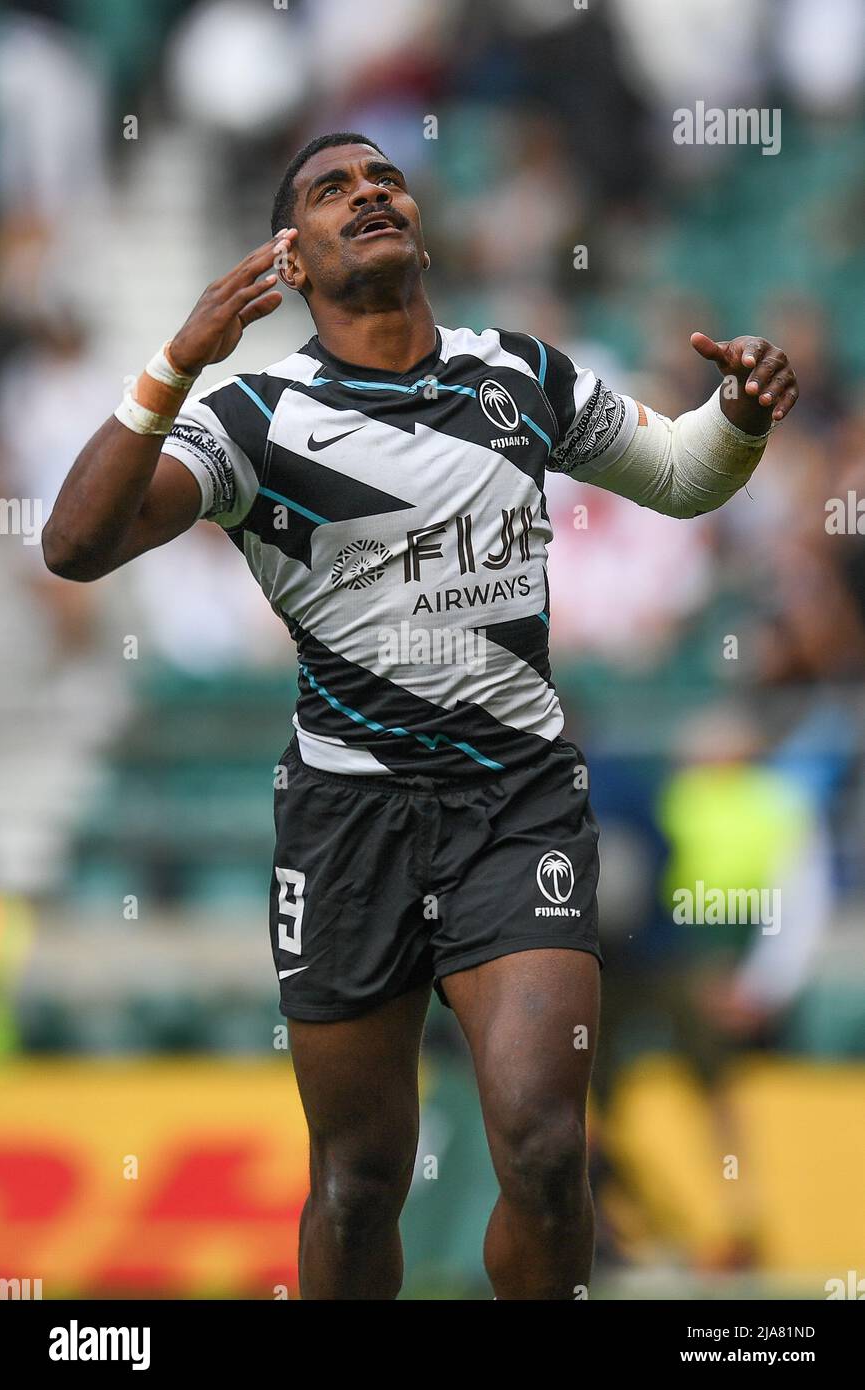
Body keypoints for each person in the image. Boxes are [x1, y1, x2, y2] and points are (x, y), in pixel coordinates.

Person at [42, 132, 799, 1300]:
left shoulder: (517, 376)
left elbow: (683, 474)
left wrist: (739, 412)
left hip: (518, 803)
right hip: (349, 823)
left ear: (420, 222)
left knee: (545, 1151)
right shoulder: (250, 419)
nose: (369, 194)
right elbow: (75, 545)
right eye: (331, 190)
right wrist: (174, 362)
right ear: (288, 258)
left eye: (383, 178)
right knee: (357, 1181)